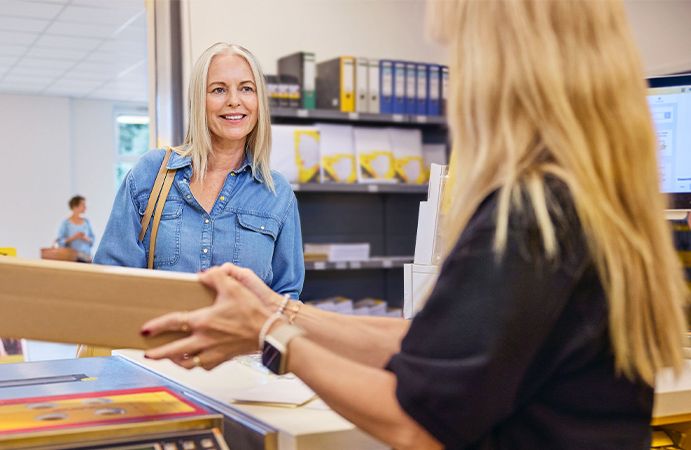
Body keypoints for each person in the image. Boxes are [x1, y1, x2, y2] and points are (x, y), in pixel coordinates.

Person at [139, 1, 690, 449]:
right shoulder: (584, 198)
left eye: (461, 51)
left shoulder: (532, 219)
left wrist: (273, 335)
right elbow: (431, 346)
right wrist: (281, 311)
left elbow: (419, 421)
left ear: (508, 64)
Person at [94, 42, 304, 298]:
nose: (234, 101)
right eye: (218, 90)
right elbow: (112, 280)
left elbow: (286, 296)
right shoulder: (151, 173)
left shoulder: (277, 193)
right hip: (160, 338)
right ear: (198, 100)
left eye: (246, 89)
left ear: (258, 100)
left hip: (241, 340)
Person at [55, 195, 94, 262]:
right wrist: (73, 238)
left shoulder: (86, 222)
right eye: (83, 204)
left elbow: (92, 239)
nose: (85, 207)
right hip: (71, 258)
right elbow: (59, 241)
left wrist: (86, 238)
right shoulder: (66, 223)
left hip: (86, 257)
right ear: (75, 206)